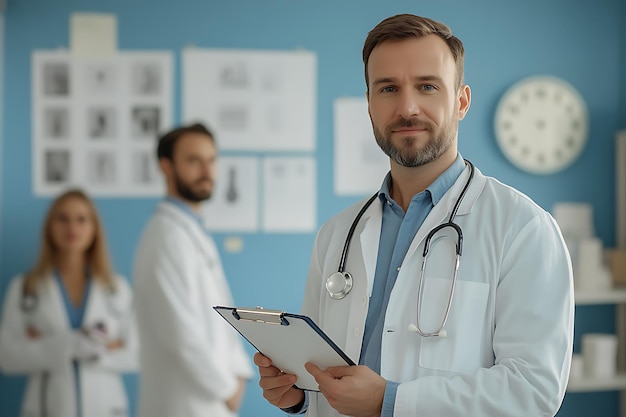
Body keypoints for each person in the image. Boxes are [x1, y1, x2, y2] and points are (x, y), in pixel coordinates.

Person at [254, 13, 574, 417]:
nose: (407, 107)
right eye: (388, 88)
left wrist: (390, 401)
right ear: (369, 104)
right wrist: (299, 393)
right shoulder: (338, 234)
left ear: (461, 101)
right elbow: (327, 369)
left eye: (427, 86)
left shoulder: (522, 228)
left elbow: (534, 389)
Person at [133, 123, 253, 417]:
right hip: (184, 402)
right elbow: (179, 333)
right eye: (193, 160)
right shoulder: (166, 237)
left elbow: (221, 314)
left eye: (211, 160)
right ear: (166, 167)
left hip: (211, 397)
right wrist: (227, 389)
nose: (206, 170)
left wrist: (239, 372)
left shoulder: (192, 232)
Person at [0, 189, 138, 417]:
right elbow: (7, 358)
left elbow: (136, 354)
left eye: (82, 219)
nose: (72, 228)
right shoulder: (25, 288)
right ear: (49, 227)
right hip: (47, 407)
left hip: (105, 408)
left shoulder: (117, 289)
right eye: (63, 218)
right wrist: (68, 345)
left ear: (94, 229)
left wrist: (94, 352)